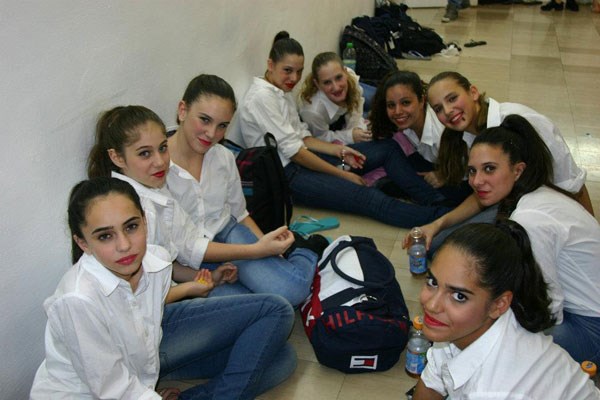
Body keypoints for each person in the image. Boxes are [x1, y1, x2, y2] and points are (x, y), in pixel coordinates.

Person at [30, 177, 297, 399]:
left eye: (131, 227)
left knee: (281, 358)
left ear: (145, 222)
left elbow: (146, 319)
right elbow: (112, 390)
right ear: (83, 243)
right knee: (266, 348)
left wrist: (148, 389)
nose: (124, 245)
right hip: (92, 393)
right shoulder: (78, 300)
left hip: (142, 367)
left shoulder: (155, 262)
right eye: (105, 236)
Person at [411, 115, 600, 365]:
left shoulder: (530, 221)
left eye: (489, 169)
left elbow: (550, 308)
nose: (477, 181)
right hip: (580, 307)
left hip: (589, 327)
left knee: (481, 334)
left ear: (518, 170)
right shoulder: (536, 193)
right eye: (472, 171)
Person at [88, 103, 320, 307]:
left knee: (282, 296)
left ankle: (304, 250)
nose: (159, 162)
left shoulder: (157, 190)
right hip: (166, 301)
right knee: (271, 306)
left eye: (162, 148)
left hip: (214, 246)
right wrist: (196, 283)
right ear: (117, 157)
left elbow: (175, 254)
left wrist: (210, 275)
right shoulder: (126, 206)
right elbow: (144, 291)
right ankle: (304, 252)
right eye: (145, 154)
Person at [232, 31, 452, 229]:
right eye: (287, 71)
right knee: (369, 198)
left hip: (306, 158)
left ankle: (436, 201)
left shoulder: (280, 91)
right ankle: (443, 218)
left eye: (299, 72)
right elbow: (296, 152)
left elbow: (303, 138)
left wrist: (339, 151)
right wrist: (342, 174)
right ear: (270, 64)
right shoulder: (262, 98)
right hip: (290, 176)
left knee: (387, 148)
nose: (294, 78)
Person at [413, 221, 600, 399]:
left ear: (499, 305)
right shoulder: (462, 328)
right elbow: (431, 384)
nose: (432, 305)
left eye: (459, 296)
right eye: (433, 282)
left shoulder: (493, 391)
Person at [426, 70, 593, 215]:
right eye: (438, 109)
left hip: (547, 207)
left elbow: (573, 184)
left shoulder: (526, 121)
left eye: (452, 99)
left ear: (473, 93)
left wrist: (593, 233)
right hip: (512, 202)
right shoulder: (459, 138)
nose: (447, 111)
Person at [368, 70, 472, 206]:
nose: (398, 111)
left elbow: (473, 166)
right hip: (435, 164)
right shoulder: (405, 124)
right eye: (391, 105)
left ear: (422, 100)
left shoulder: (441, 133)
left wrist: (445, 175)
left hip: (463, 176)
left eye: (405, 103)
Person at [298, 51, 372, 145]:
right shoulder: (313, 112)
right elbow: (321, 137)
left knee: (381, 99)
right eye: (327, 82)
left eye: (339, 77)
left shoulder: (350, 77)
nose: (336, 87)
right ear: (317, 84)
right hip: (332, 124)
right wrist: (350, 136)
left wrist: (357, 128)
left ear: (345, 72)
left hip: (350, 97)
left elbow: (356, 107)